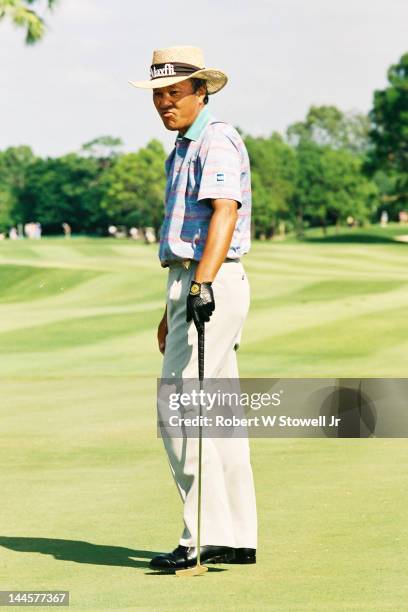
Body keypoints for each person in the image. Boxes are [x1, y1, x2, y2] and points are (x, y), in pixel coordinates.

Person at [130, 45, 257, 571]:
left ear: (201, 91)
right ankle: (235, 537)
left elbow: (225, 211)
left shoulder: (215, 138)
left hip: (211, 280)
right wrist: (172, 305)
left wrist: (200, 286)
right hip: (194, 281)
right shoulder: (183, 147)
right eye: (158, 95)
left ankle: (200, 535)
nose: (164, 103)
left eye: (174, 93)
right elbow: (188, 232)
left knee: (178, 409)